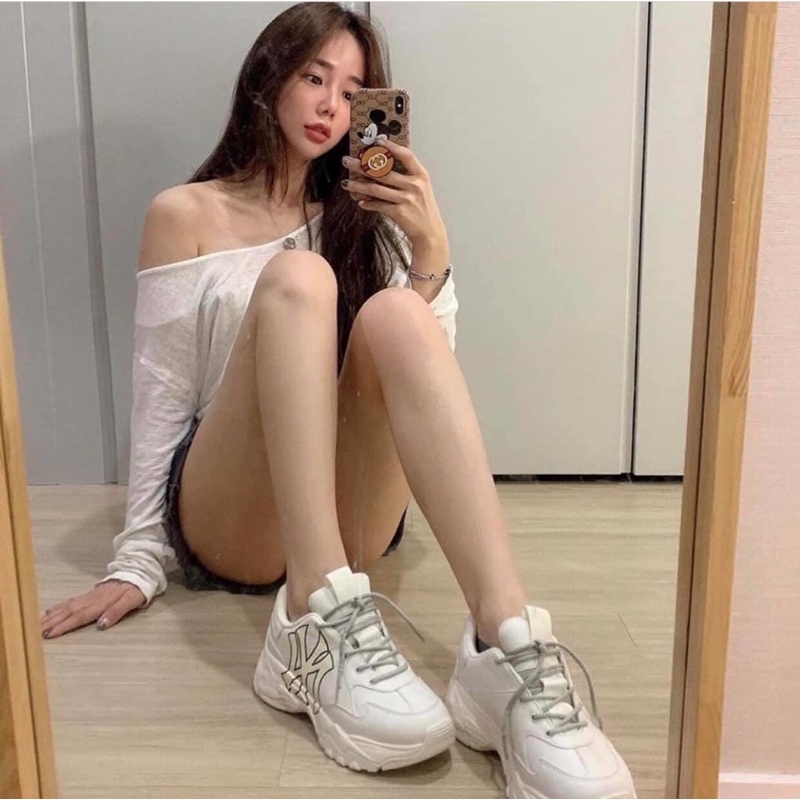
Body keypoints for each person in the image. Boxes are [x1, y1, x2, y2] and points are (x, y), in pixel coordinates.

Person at [40, 4, 636, 797]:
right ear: (268, 79)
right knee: (299, 277)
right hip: (233, 514)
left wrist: (429, 248)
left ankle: (507, 644)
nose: (330, 105)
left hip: (352, 518)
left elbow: (423, 387)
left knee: (397, 315)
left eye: (353, 92)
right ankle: (311, 616)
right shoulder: (185, 214)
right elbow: (163, 391)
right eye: (313, 77)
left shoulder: (366, 218)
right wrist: (138, 558)